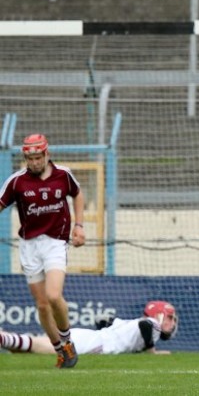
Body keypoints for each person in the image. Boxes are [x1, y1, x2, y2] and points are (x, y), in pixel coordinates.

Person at [0, 134, 86, 368]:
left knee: (53, 295)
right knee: (42, 305)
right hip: (29, 246)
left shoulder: (63, 175)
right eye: (30, 158)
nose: (34, 162)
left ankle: (67, 342)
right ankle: (60, 351)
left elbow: (78, 194)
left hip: (55, 242)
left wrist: (79, 226)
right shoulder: (17, 181)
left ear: (47, 154)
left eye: (38, 157)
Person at [0, 300, 178, 355]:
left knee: (31, 349)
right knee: (55, 349)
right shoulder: (152, 324)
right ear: (159, 315)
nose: (172, 323)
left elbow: (104, 321)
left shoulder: (129, 325)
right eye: (169, 317)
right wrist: (152, 352)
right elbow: (145, 325)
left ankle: (7, 339)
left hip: (91, 337)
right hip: (97, 344)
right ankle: (4, 338)